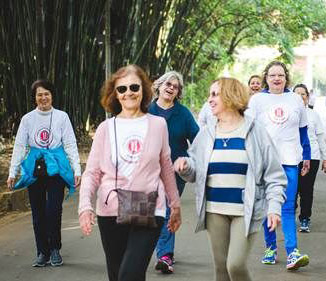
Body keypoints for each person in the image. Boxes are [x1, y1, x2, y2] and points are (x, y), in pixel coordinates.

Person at [174, 77, 286, 281]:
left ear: (231, 96)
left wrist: (274, 207)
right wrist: (185, 166)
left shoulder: (255, 131)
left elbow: (275, 175)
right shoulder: (207, 133)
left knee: (235, 265)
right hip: (214, 209)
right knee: (221, 269)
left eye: (215, 94)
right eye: (210, 94)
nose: (210, 99)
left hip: (246, 210)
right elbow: (196, 172)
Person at [78, 65, 182, 281]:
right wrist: (85, 206)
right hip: (111, 209)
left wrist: (175, 205)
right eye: (121, 89)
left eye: (134, 87)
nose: (128, 93)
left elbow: (166, 166)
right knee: (117, 275)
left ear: (143, 89)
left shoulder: (158, 124)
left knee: (129, 275)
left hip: (149, 205)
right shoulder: (105, 128)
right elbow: (92, 173)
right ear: (115, 94)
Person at [6, 79, 81, 267]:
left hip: (55, 167)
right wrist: (12, 172)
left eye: (46, 93)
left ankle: (55, 249)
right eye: (39, 94)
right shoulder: (27, 119)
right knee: (38, 212)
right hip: (34, 169)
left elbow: (70, 144)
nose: (43, 97)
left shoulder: (62, 117)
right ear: (35, 98)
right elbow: (20, 146)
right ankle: (42, 252)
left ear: (52, 95)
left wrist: (76, 169)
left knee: (53, 210)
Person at [247, 61, 311, 270]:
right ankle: (270, 248)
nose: (277, 79)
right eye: (273, 75)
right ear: (266, 77)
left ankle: (293, 252)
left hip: (290, 160)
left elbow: (303, 131)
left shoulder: (295, 99)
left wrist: (307, 156)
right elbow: (248, 131)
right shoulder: (257, 100)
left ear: (286, 78)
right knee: (268, 206)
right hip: (265, 162)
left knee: (288, 206)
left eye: (281, 75)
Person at [149, 71, 199, 274]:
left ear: (178, 92)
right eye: (168, 84)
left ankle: (165, 255)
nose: (171, 88)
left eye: (175, 86)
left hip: (174, 171)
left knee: (168, 210)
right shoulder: (146, 110)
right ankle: (158, 249)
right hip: (148, 171)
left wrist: (190, 161)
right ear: (159, 86)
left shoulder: (184, 113)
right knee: (150, 211)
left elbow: (198, 139)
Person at [293, 84, 326, 233]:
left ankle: (305, 218)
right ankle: (290, 212)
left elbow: (320, 137)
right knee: (292, 189)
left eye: (303, 94)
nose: (300, 96)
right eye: (297, 94)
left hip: (312, 156)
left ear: (307, 97)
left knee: (306, 189)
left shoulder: (313, 115)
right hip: (291, 157)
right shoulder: (288, 113)